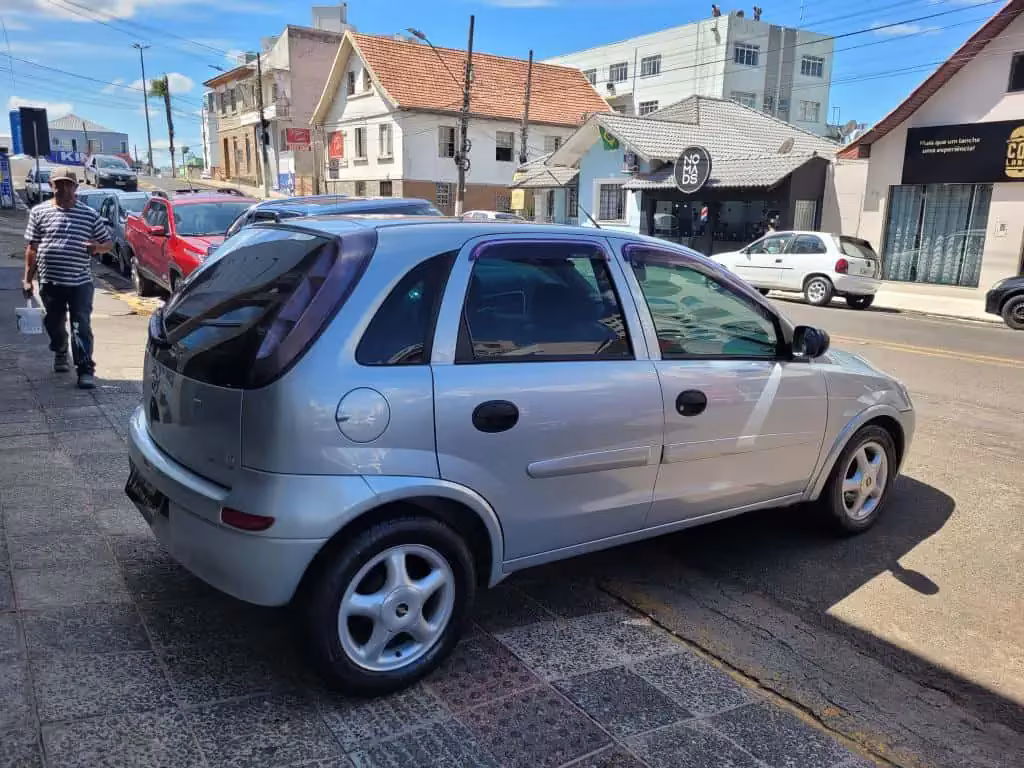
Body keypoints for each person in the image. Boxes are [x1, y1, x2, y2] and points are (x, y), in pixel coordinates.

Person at [22, 168, 112, 389]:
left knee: (80, 325)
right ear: (52, 186)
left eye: (67, 184)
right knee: (54, 323)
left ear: (75, 187)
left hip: (80, 282)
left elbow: (107, 243)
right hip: (50, 282)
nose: (62, 189)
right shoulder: (39, 212)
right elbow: (32, 247)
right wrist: (27, 279)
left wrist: (97, 247)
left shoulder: (89, 215)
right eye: (58, 184)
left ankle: (84, 369)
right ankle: (61, 351)